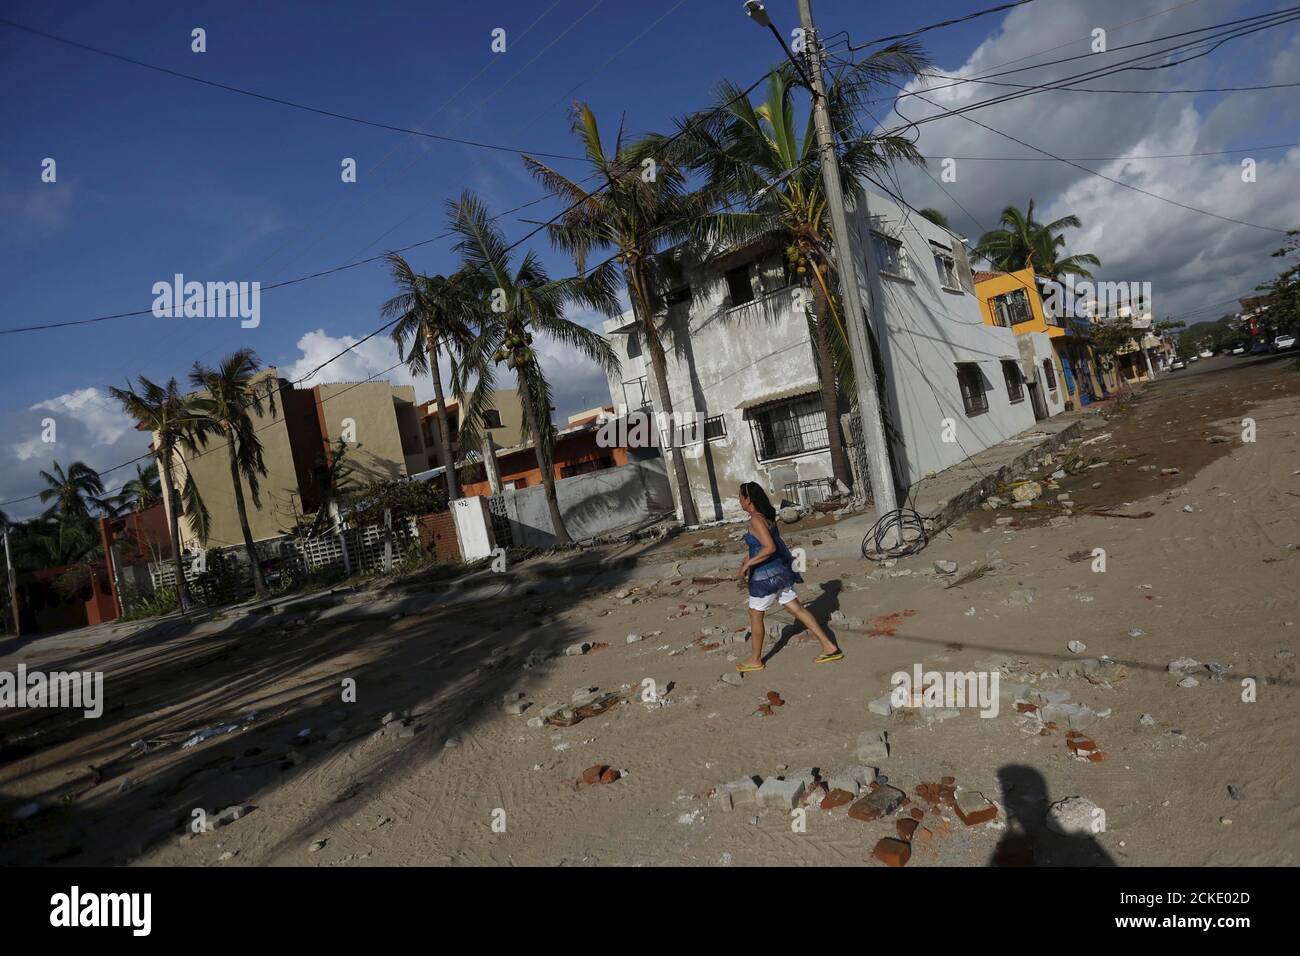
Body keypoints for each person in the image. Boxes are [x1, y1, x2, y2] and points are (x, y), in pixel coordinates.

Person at [735, 481, 841, 672]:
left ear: (748, 499)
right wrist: (747, 558)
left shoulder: (756, 520)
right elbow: (762, 544)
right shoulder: (766, 517)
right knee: (797, 609)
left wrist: (748, 565)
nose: (739, 500)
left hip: (765, 577)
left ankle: (755, 659)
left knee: (755, 615)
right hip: (780, 573)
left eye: (740, 497)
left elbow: (770, 547)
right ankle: (829, 646)